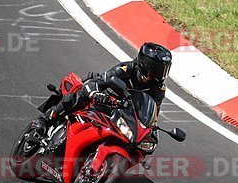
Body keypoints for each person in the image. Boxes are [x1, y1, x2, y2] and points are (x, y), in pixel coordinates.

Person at [30, 42, 172, 138]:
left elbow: (153, 113)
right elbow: (103, 80)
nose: (160, 73)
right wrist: (95, 92)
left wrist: (151, 129)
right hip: (102, 92)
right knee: (78, 97)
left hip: (121, 110)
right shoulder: (127, 68)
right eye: (158, 69)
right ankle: (45, 119)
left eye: (164, 69)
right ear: (145, 64)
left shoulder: (158, 89)